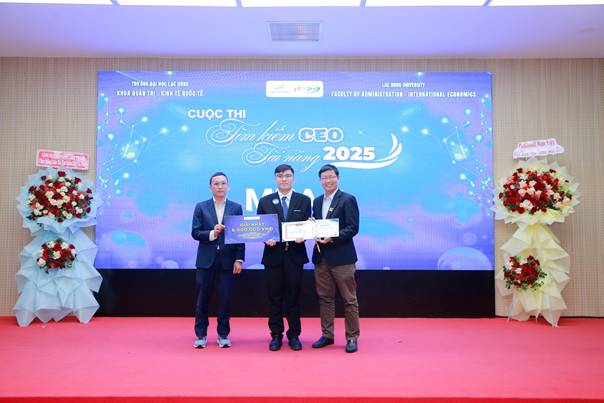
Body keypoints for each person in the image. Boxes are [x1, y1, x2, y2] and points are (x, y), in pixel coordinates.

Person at [257, 164, 311, 351]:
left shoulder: (304, 200)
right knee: (274, 298)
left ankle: (294, 335)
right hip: (273, 256)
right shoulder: (265, 201)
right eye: (280, 176)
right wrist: (265, 239)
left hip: (295, 256)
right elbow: (260, 227)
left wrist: (305, 235)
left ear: (293, 178)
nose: (284, 179)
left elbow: (308, 225)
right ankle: (276, 335)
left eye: (287, 175)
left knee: (293, 297)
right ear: (275, 179)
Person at [191, 172, 245, 349]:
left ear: (228, 186)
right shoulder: (201, 207)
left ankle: (223, 335)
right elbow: (195, 232)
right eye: (216, 183)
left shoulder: (236, 207)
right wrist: (213, 233)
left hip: (227, 261)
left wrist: (239, 259)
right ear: (210, 187)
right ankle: (201, 335)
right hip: (206, 261)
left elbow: (239, 235)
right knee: (203, 299)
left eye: (223, 183)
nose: (220, 186)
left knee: (225, 299)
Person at [311, 164, 360, 353]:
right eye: (324, 178)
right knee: (325, 298)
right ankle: (327, 335)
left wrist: (333, 237)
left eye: (331, 177)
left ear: (338, 178)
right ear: (320, 181)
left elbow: (353, 227)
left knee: (349, 299)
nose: (328, 181)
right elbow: (316, 225)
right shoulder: (317, 201)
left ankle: (352, 337)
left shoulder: (348, 199)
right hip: (321, 257)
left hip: (343, 257)